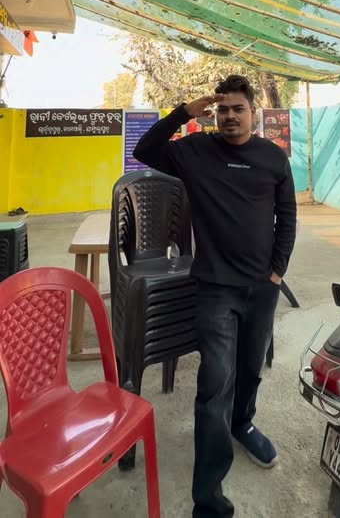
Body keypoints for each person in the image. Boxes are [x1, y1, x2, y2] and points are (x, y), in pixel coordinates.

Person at [133, 74, 297, 518]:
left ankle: (243, 424)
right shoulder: (196, 151)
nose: (229, 116)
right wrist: (183, 112)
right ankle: (208, 502)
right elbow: (144, 150)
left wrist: (277, 271)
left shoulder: (272, 157)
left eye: (237, 109)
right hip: (215, 288)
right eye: (222, 109)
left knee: (250, 370)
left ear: (253, 113)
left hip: (261, 288)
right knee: (214, 386)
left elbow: (287, 215)